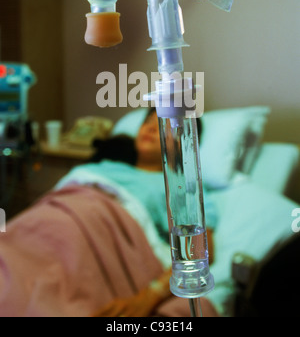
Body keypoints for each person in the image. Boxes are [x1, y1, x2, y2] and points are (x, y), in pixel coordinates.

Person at [82, 108, 217, 317]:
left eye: (164, 125)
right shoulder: (102, 168)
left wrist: (150, 295)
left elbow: (199, 250)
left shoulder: (182, 186)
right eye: (147, 121)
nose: (151, 128)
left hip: (102, 236)